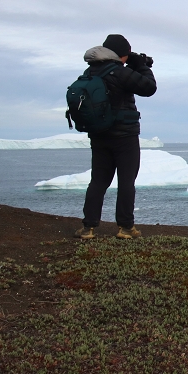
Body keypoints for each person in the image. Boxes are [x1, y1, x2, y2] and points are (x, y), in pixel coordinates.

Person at [76, 34, 157, 240]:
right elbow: (149, 87)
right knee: (126, 181)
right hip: (124, 135)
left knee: (98, 181)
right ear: (122, 54)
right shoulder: (119, 72)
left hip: (99, 135)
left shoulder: (90, 71)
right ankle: (126, 228)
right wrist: (141, 65)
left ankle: (88, 228)